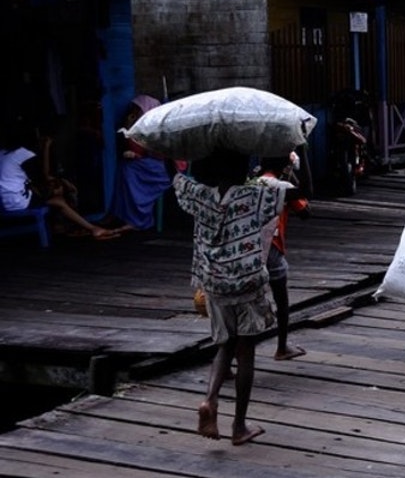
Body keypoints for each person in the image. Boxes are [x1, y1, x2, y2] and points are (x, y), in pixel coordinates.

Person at [175, 147, 288, 446]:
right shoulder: (255, 196)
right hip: (246, 282)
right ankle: (239, 425)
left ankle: (210, 400)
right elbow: (291, 194)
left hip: (214, 283)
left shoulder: (197, 195)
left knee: (223, 344)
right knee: (245, 351)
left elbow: (176, 179)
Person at [0, 132, 120, 240]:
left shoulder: (2, 154)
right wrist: (46, 148)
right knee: (59, 194)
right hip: (18, 201)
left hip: (6, 201)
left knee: (57, 197)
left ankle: (82, 227)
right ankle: (84, 228)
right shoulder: (23, 153)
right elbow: (45, 176)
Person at [254, 153, 311, 361]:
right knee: (281, 298)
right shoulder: (281, 188)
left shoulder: (250, 183)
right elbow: (306, 211)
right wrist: (293, 177)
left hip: (247, 249)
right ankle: (282, 346)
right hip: (272, 248)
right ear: (285, 167)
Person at [109, 95, 175, 234]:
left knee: (130, 171)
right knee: (125, 169)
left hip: (164, 168)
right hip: (147, 163)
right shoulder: (136, 125)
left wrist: (140, 152)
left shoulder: (159, 128)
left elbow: (161, 154)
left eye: (139, 110)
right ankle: (124, 216)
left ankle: (138, 219)